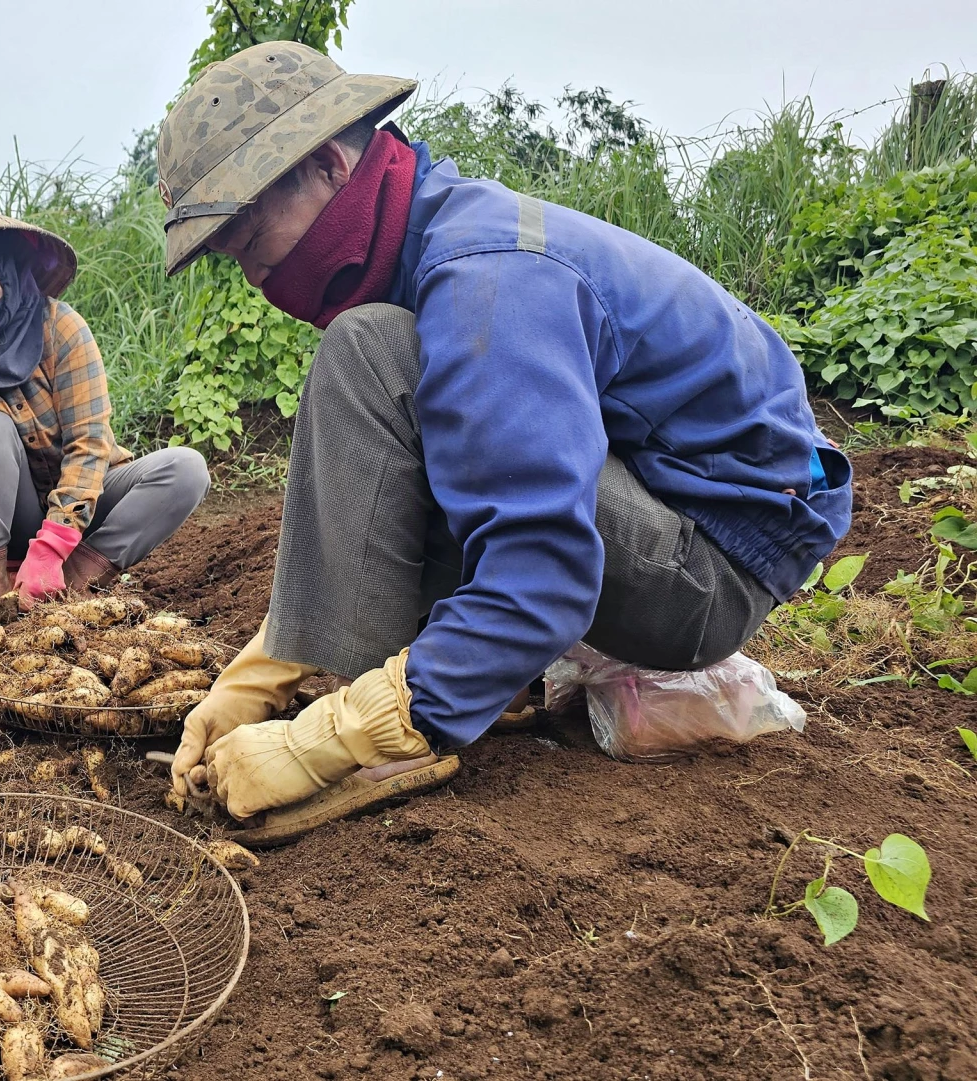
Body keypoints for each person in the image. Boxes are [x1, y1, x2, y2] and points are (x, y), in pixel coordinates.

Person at [156, 44, 852, 843]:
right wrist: (260, 674)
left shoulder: (484, 276)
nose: (255, 273)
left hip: (712, 565)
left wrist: (328, 739)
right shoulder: (433, 235)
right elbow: (456, 458)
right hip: (665, 500)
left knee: (367, 355)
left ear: (324, 165)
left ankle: (400, 723)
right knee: (384, 357)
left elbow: (545, 570)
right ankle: (449, 671)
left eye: (249, 236)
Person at [0, 202, 211, 632]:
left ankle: (69, 586)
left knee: (186, 469)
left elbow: (89, 446)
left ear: (6, 271)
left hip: (83, 509)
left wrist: (51, 549)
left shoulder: (60, 327)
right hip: (9, 521)